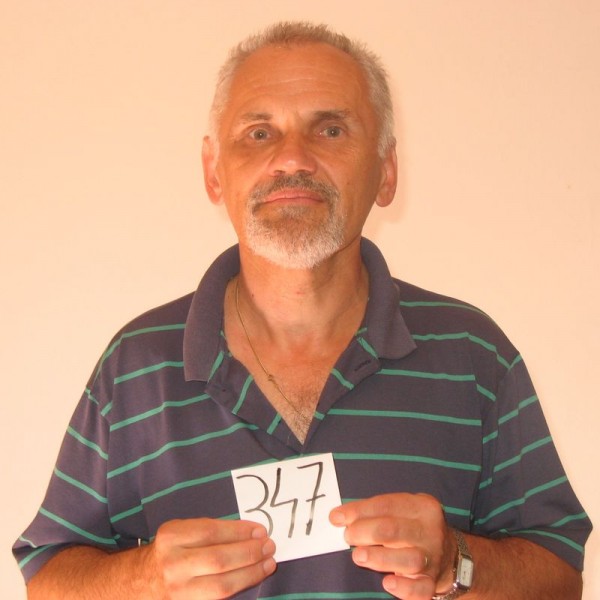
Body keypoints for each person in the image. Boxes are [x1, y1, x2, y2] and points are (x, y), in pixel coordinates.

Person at [13, 21, 591, 600]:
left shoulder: (473, 354)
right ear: (213, 172)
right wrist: (147, 578)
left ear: (386, 170)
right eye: (259, 133)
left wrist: (456, 562)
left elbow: (561, 576)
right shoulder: (136, 366)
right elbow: (47, 578)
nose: (292, 158)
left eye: (331, 129)